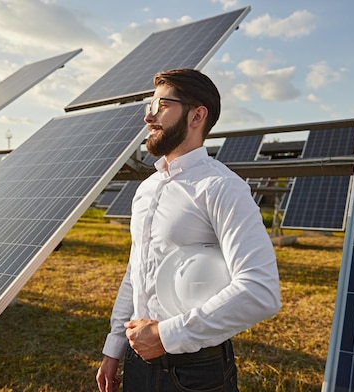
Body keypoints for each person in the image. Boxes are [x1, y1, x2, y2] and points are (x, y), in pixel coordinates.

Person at [96, 68, 282, 392]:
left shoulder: (221, 188)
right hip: (137, 362)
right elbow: (135, 271)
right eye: (148, 106)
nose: (148, 117)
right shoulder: (146, 190)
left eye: (162, 106)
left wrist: (166, 336)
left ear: (197, 115)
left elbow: (260, 290)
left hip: (196, 372)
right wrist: (114, 348)